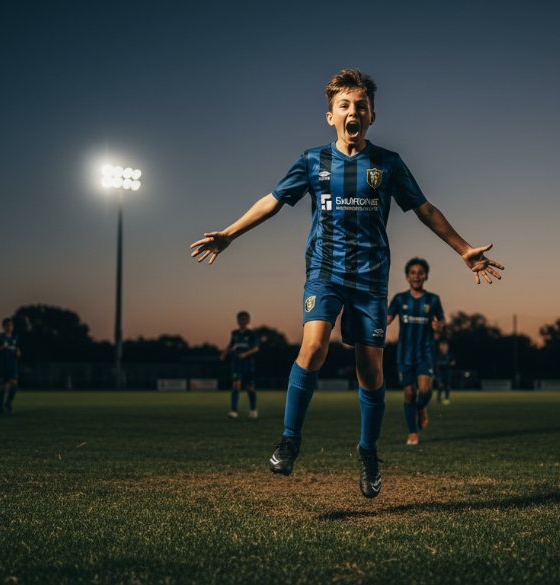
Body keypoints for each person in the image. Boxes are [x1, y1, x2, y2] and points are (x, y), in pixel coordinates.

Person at [190, 68, 504, 498]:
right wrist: (229, 233)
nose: (352, 111)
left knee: (370, 371)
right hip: (325, 271)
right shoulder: (312, 161)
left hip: (370, 279)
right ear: (331, 116)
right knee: (313, 346)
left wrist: (463, 248)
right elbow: (272, 201)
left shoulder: (388, 164)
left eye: (361, 105)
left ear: (371, 116)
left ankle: (368, 452)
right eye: (344, 105)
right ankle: (289, 440)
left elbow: (425, 209)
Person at [387, 258, 444, 446]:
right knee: (409, 393)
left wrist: (438, 325)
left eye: (420, 273)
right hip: (404, 354)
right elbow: (387, 318)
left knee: (425, 391)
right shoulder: (399, 299)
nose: (417, 276)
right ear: (407, 277)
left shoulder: (433, 299)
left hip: (425, 353)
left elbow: (441, 321)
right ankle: (412, 433)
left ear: (426, 276)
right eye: (413, 273)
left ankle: (421, 407)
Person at [222, 310, 259, 419]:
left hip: (248, 364)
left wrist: (245, 354)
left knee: (250, 387)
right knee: (235, 385)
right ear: (237, 320)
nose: (242, 321)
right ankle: (234, 411)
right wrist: (224, 353)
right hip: (237, 364)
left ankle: (253, 410)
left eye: (244, 319)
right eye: (240, 319)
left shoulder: (252, 334)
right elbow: (231, 345)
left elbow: (256, 348)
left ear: (248, 320)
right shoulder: (234, 333)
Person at [0, 317, 20, 415]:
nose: (9, 327)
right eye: (7, 325)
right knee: (2, 386)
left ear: (13, 327)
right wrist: (2, 347)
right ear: (3, 327)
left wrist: (18, 353)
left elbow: (18, 351)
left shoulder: (15, 338)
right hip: (2, 365)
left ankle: (8, 403)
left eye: (10, 325)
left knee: (14, 384)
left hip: (13, 365)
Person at [435, 339, 456, 406]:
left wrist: (451, 363)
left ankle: (446, 399)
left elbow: (453, 362)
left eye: (445, 346)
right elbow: (435, 363)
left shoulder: (450, 355)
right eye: (442, 346)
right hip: (440, 373)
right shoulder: (438, 355)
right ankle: (438, 398)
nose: (443, 348)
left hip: (448, 373)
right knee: (440, 385)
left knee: (447, 386)